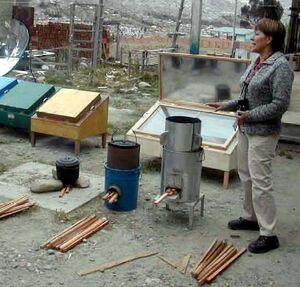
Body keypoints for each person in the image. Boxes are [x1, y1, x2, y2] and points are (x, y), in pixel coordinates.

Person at [207, 17, 294, 253]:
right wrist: (225, 105)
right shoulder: (257, 62)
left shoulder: (281, 67)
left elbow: (280, 104)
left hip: (263, 133)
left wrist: (250, 115)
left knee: (261, 181)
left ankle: (268, 233)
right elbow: (246, 97)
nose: (252, 37)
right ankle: (250, 217)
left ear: (269, 39)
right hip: (246, 128)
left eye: (256, 34)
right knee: (246, 175)